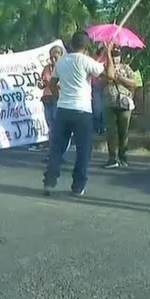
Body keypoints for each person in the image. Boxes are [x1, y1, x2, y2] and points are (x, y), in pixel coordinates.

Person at [42, 32, 108, 197]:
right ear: (86, 46)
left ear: (71, 44)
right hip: (82, 111)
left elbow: (52, 83)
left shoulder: (62, 61)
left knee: (57, 148)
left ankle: (49, 182)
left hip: (64, 109)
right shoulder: (86, 61)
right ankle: (78, 186)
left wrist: (59, 98)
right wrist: (108, 54)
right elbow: (111, 75)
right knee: (83, 150)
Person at [99, 46, 137, 168]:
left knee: (123, 131)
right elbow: (99, 83)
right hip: (109, 103)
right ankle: (112, 157)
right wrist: (108, 77)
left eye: (117, 56)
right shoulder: (104, 68)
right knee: (110, 131)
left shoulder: (126, 68)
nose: (115, 59)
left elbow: (135, 83)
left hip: (124, 103)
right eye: (113, 56)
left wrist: (121, 78)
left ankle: (123, 156)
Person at [32, 45, 68, 153]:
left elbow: (65, 85)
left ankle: (60, 152)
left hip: (58, 98)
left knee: (58, 127)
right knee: (51, 126)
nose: (52, 60)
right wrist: (41, 84)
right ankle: (53, 152)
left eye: (55, 58)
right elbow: (43, 83)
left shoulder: (65, 68)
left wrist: (52, 84)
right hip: (47, 98)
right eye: (51, 58)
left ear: (61, 57)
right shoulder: (47, 68)